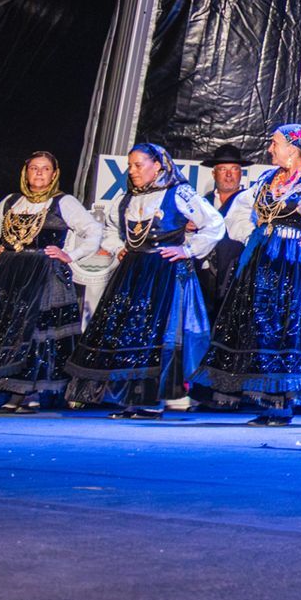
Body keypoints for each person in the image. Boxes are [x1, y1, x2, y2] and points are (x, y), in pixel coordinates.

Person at [193, 125, 301, 426]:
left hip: (298, 266)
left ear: (295, 148)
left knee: (289, 329)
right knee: (262, 329)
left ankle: (282, 403)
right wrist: (254, 236)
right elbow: (237, 213)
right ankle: (266, 400)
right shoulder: (267, 179)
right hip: (262, 263)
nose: (270, 149)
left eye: (275, 143)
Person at [0, 152, 102, 412]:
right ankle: (1, 389)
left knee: (35, 333)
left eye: (45, 169)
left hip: (43, 272)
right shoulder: (12, 202)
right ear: (26, 172)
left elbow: (93, 230)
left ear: (54, 174)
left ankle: (25, 393)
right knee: (4, 331)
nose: (39, 173)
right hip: (9, 273)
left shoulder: (63, 202)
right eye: (34, 168)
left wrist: (71, 255)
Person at [65, 144, 226, 417]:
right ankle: (130, 398)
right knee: (129, 333)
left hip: (166, 272)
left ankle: (153, 400)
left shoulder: (179, 193)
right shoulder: (126, 199)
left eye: (139, 165)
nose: (132, 171)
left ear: (158, 166)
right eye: (130, 165)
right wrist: (119, 248)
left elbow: (215, 224)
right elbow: (111, 230)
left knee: (159, 334)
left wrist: (187, 250)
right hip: (134, 272)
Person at [196, 144, 249, 313]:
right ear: (214, 173)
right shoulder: (201, 204)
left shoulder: (251, 203)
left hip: (238, 278)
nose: (229, 175)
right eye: (223, 169)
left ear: (241, 173)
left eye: (234, 169)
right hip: (203, 281)